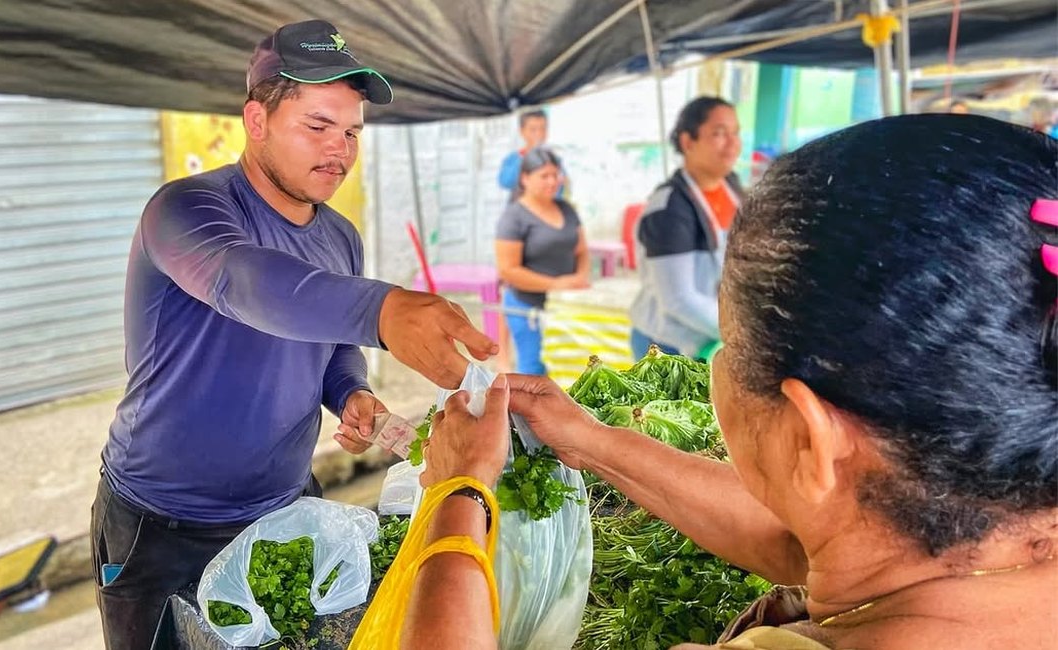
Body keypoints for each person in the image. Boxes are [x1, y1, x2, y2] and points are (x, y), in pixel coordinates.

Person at [405, 114, 1058, 649]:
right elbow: (808, 535)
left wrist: (459, 493)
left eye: (731, 347)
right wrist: (591, 440)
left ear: (809, 438)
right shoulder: (984, 542)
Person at [90, 19, 497, 649]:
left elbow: (331, 346)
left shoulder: (340, 236)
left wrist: (351, 390)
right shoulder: (186, 210)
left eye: (351, 132)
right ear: (257, 120)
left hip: (285, 506)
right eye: (317, 126)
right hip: (162, 523)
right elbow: (244, 283)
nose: (339, 150)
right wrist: (383, 310)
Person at [630, 96, 743, 362]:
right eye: (719, 133)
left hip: (713, 335)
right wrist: (742, 334)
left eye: (736, 132)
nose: (732, 143)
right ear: (688, 142)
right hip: (668, 347)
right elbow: (678, 299)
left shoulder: (732, 188)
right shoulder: (669, 208)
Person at [495, 147, 589, 375]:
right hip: (527, 308)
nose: (552, 181)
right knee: (534, 373)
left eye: (556, 174)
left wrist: (579, 277)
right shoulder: (513, 217)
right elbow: (508, 270)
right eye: (544, 176)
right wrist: (555, 284)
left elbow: (582, 251)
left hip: (565, 306)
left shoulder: (567, 209)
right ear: (525, 178)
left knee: (568, 370)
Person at [497, 109, 566, 203]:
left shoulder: (554, 159)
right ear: (522, 132)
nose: (539, 134)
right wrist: (527, 154)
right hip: (520, 209)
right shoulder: (513, 158)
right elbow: (505, 183)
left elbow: (559, 190)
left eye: (543, 129)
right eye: (533, 130)